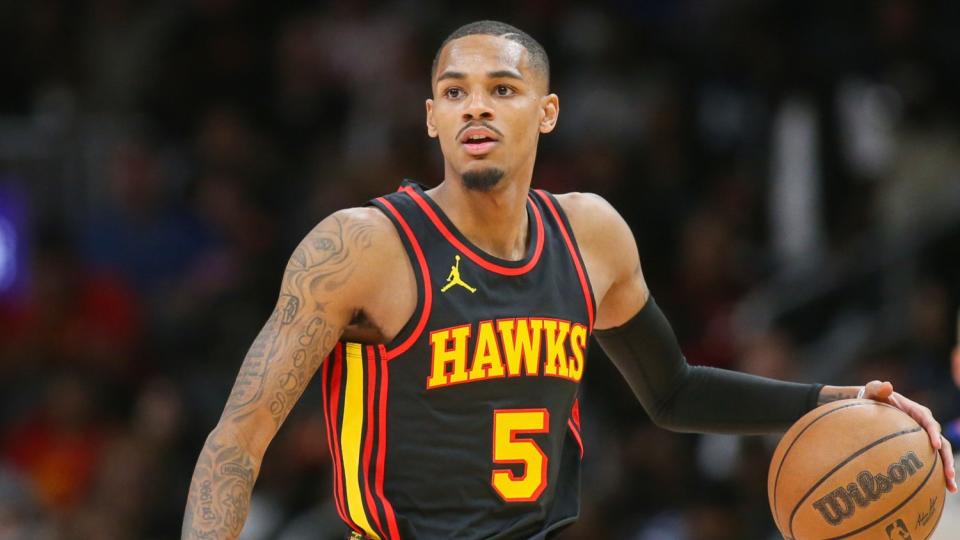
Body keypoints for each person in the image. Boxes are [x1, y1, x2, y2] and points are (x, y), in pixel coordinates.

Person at [181, 20, 957, 540]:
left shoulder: (591, 235)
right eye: (455, 92)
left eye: (502, 90)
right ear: (429, 117)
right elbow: (236, 442)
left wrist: (840, 401)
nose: (475, 108)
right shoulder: (362, 246)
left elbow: (675, 392)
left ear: (546, 112)